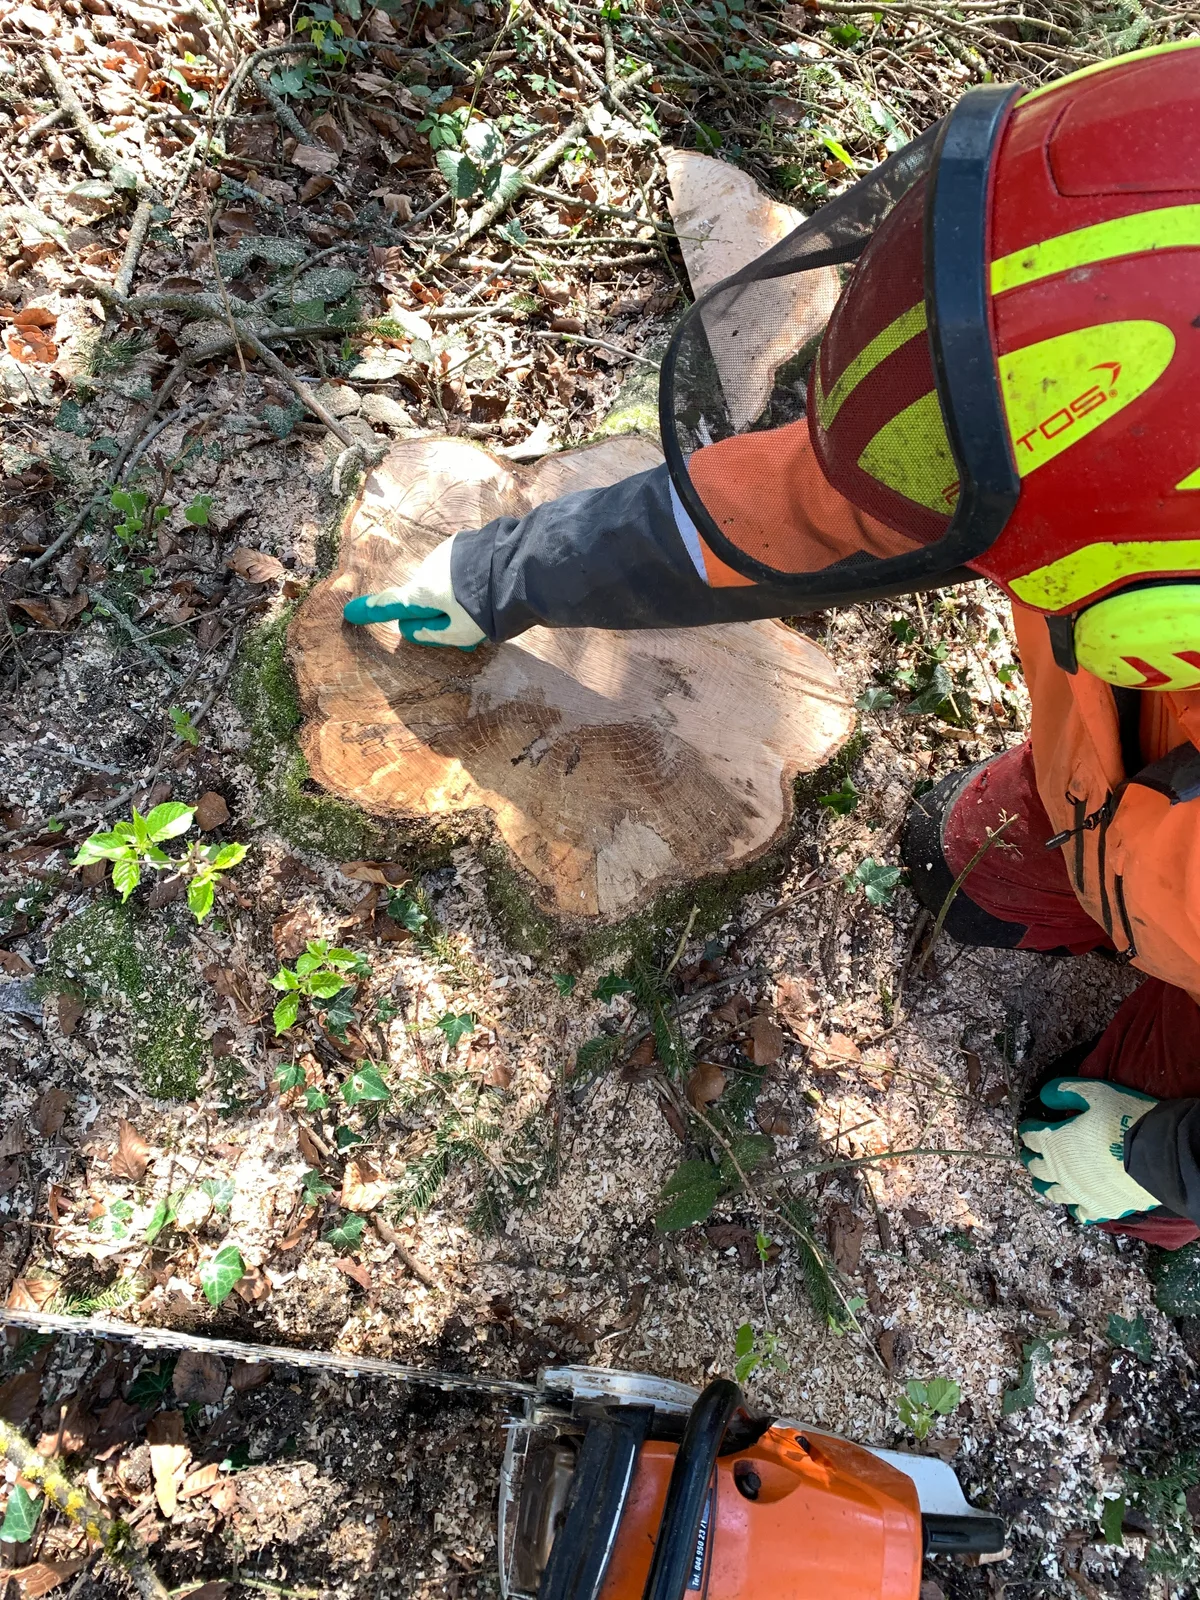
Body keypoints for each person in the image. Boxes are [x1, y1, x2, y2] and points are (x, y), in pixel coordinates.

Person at [344, 42, 1200, 1249]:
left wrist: (1159, 1156)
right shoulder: (1079, 419)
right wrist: (506, 572)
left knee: (1104, 1144)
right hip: (1105, 781)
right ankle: (1075, 865)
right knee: (960, 861)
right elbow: (802, 506)